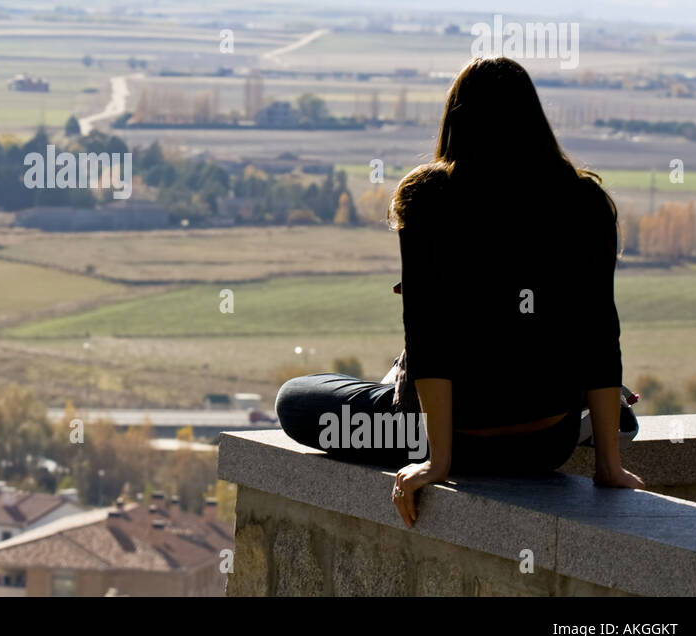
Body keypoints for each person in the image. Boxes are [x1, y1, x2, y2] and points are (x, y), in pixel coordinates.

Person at [275, 57, 645, 528]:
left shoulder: (429, 195)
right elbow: (599, 329)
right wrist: (609, 469)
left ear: (455, 119)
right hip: (548, 441)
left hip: (449, 439)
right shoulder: (586, 202)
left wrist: (438, 462)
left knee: (297, 399)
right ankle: (599, 417)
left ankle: (400, 387)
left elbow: (430, 337)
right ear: (535, 118)